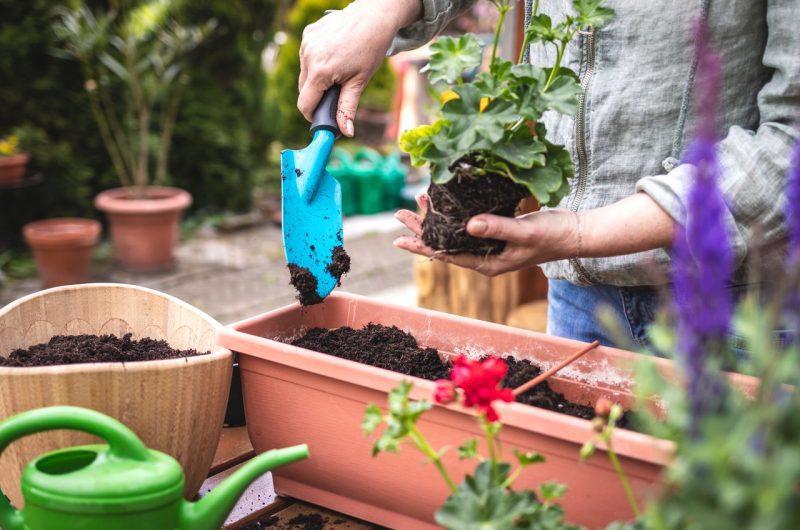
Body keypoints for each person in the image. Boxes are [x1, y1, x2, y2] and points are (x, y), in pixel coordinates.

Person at [298, 0, 800, 347]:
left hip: (739, 308)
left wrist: (579, 232)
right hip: (578, 300)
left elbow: (790, 145)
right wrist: (378, 11)